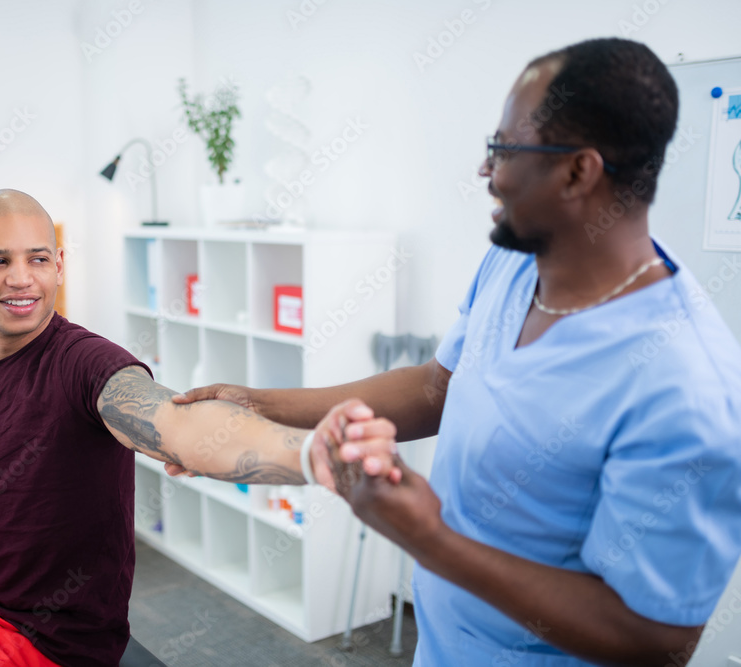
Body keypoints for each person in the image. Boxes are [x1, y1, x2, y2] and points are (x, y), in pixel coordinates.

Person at [172, 38, 741, 665]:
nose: (484, 171)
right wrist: (259, 404)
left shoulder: (685, 385)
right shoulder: (515, 259)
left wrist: (429, 537)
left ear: (579, 171)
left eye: (503, 149)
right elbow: (437, 387)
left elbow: (657, 641)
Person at [0, 189, 395, 667]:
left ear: (58, 265)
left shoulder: (89, 364)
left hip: (48, 641)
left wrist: (312, 453)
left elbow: (179, 423)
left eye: (38, 258)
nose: (21, 277)